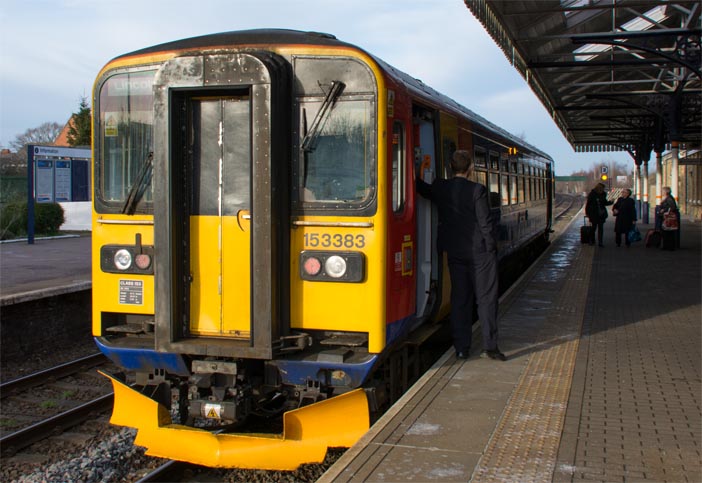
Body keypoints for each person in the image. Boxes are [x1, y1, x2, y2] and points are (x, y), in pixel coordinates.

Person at [417, 150, 505, 361]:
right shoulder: (478, 191)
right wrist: (492, 248)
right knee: (486, 300)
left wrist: (416, 167)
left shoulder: (441, 187)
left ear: (450, 167)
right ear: (471, 168)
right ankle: (490, 347)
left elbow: (421, 188)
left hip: (455, 252)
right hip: (480, 254)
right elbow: (485, 224)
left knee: (459, 300)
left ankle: (461, 348)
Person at [658, 186, 678, 251]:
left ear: (666, 192)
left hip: (668, 218)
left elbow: (672, 207)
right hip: (665, 217)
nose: (662, 192)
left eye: (663, 191)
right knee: (666, 232)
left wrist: (664, 210)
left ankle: (669, 246)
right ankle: (666, 245)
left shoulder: (669, 199)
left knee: (668, 232)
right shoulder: (667, 198)